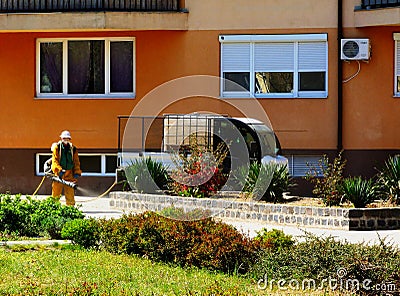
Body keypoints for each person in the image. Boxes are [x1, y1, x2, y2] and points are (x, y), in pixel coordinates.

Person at [51, 130, 82, 206]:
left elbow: (76, 161)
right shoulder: (57, 148)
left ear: (69, 139)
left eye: (67, 138)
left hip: (69, 174)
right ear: (61, 138)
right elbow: (55, 160)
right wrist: (59, 170)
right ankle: (53, 208)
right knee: (56, 193)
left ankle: (70, 209)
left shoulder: (73, 149)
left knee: (70, 193)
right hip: (59, 175)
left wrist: (77, 172)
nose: (66, 140)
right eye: (64, 138)